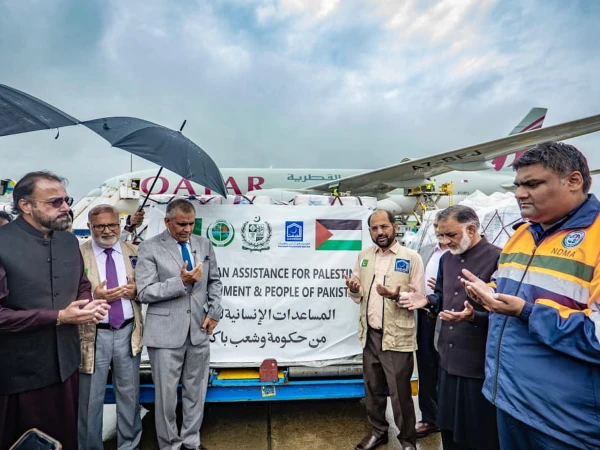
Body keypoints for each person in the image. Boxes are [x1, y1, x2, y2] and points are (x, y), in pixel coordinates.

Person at [461, 141, 600, 450]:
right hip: (509, 401)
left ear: (573, 181)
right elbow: (505, 286)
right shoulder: (522, 234)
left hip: (567, 423)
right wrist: (488, 294)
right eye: (518, 185)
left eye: (532, 184)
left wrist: (526, 312)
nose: (519, 194)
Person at [0, 171, 109, 450]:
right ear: (26, 206)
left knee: (64, 441)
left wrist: (87, 304)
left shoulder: (68, 241)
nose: (65, 208)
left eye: (66, 200)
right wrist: (59, 317)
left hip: (67, 367)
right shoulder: (2, 243)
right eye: (55, 202)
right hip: (20, 374)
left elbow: (81, 284)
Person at [399, 206, 500, 450]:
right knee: (449, 431)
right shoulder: (447, 259)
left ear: (471, 229)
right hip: (447, 360)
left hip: (477, 366)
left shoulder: (498, 258)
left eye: (450, 235)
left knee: (478, 435)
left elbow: (505, 312)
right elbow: (441, 297)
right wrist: (426, 301)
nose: (444, 242)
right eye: (440, 236)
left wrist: (473, 316)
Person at [136, 198, 222, 450]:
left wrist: (214, 312)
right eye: (182, 224)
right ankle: (170, 445)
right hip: (165, 334)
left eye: (191, 224)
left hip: (198, 330)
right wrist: (180, 282)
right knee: (166, 396)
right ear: (167, 221)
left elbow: (215, 281)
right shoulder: (150, 247)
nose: (187, 229)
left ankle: (191, 441)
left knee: (196, 391)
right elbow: (144, 291)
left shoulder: (204, 244)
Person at [343, 209, 425, 450]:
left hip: (396, 337)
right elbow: (357, 294)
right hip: (370, 335)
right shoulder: (364, 256)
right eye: (374, 228)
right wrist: (354, 288)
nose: (380, 232)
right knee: (373, 389)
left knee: (400, 394)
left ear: (394, 227)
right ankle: (378, 432)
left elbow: (419, 297)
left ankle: (407, 440)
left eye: (384, 227)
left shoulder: (411, 257)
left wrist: (396, 296)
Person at [78, 205, 143, 450]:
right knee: (89, 400)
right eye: (100, 226)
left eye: (112, 225)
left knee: (129, 396)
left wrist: (137, 291)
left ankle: (130, 446)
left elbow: (149, 287)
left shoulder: (133, 251)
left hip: (127, 332)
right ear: (89, 227)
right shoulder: (78, 255)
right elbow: (65, 294)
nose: (107, 231)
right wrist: (94, 297)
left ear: (119, 224)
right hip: (93, 335)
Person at [414, 214, 448, 439]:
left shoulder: (461, 253)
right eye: (435, 225)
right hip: (425, 316)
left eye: (442, 226)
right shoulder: (425, 251)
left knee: (447, 370)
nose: (437, 230)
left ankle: (448, 418)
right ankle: (429, 418)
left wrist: (445, 288)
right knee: (426, 369)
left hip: (449, 319)